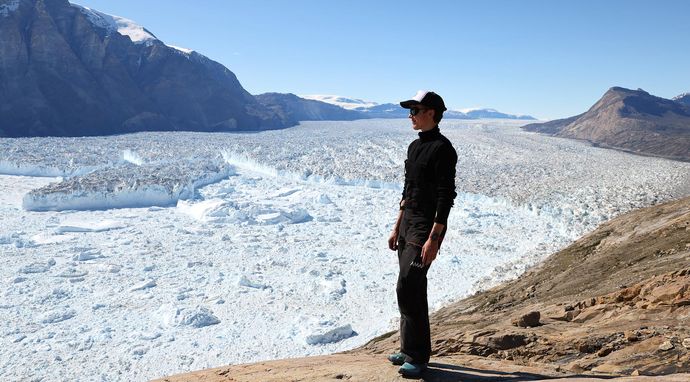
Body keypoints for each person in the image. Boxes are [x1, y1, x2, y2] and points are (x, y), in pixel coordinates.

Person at [387, 90, 458, 377]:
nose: (410, 116)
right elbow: (407, 191)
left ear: (431, 112)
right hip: (408, 225)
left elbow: (446, 196)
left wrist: (434, 239)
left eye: (415, 110)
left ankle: (418, 357)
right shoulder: (414, 147)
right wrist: (396, 226)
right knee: (406, 289)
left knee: (410, 285)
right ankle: (408, 349)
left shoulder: (443, 149)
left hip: (425, 228)